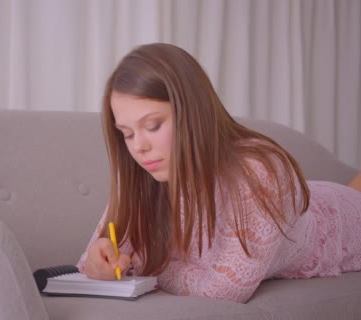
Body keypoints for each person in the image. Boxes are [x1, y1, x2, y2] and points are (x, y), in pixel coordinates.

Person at [76, 43, 361, 303]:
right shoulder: (146, 175)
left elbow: (225, 289)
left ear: (193, 112)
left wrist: (147, 265)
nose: (139, 147)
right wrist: (96, 263)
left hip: (343, 216)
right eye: (126, 133)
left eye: (153, 126)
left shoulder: (262, 172)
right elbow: (94, 258)